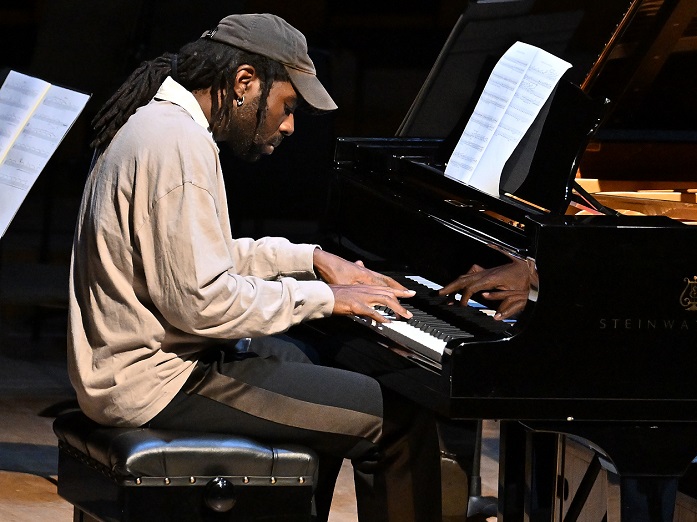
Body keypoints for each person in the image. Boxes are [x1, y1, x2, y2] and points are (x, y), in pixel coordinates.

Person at [67, 13, 441, 522]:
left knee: (316, 367)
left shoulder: (159, 125)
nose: (289, 126)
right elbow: (203, 303)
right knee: (398, 419)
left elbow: (201, 257)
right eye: (287, 106)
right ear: (244, 82)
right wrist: (327, 300)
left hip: (139, 372)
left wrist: (312, 260)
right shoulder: (177, 145)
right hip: (155, 384)